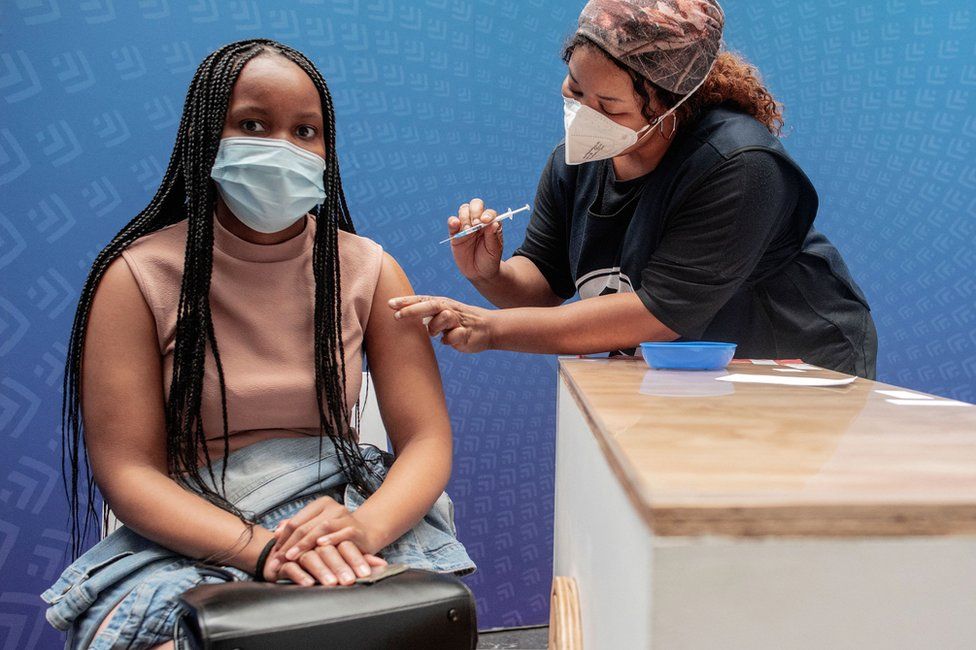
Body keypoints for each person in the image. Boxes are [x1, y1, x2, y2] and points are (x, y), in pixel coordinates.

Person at [42, 39, 473, 650]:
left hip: (339, 515)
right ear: (205, 138)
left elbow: (427, 441)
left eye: (305, 131)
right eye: (252, 125)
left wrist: (360, 529)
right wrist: (261, 550)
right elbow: (127, 471)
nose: (283, 148)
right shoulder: (135, 277)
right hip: (199, 528)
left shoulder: (371, 271)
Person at [390, 0, 877, 378]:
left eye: (611, 105)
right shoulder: (577, 162)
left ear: (675, 105)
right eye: (576, 89)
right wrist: (490, 276)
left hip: (789, 366)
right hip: (689, 374)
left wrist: (487, 327)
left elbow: (655, 315)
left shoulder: (740, 165)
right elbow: (542, 283)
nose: (585, 114)